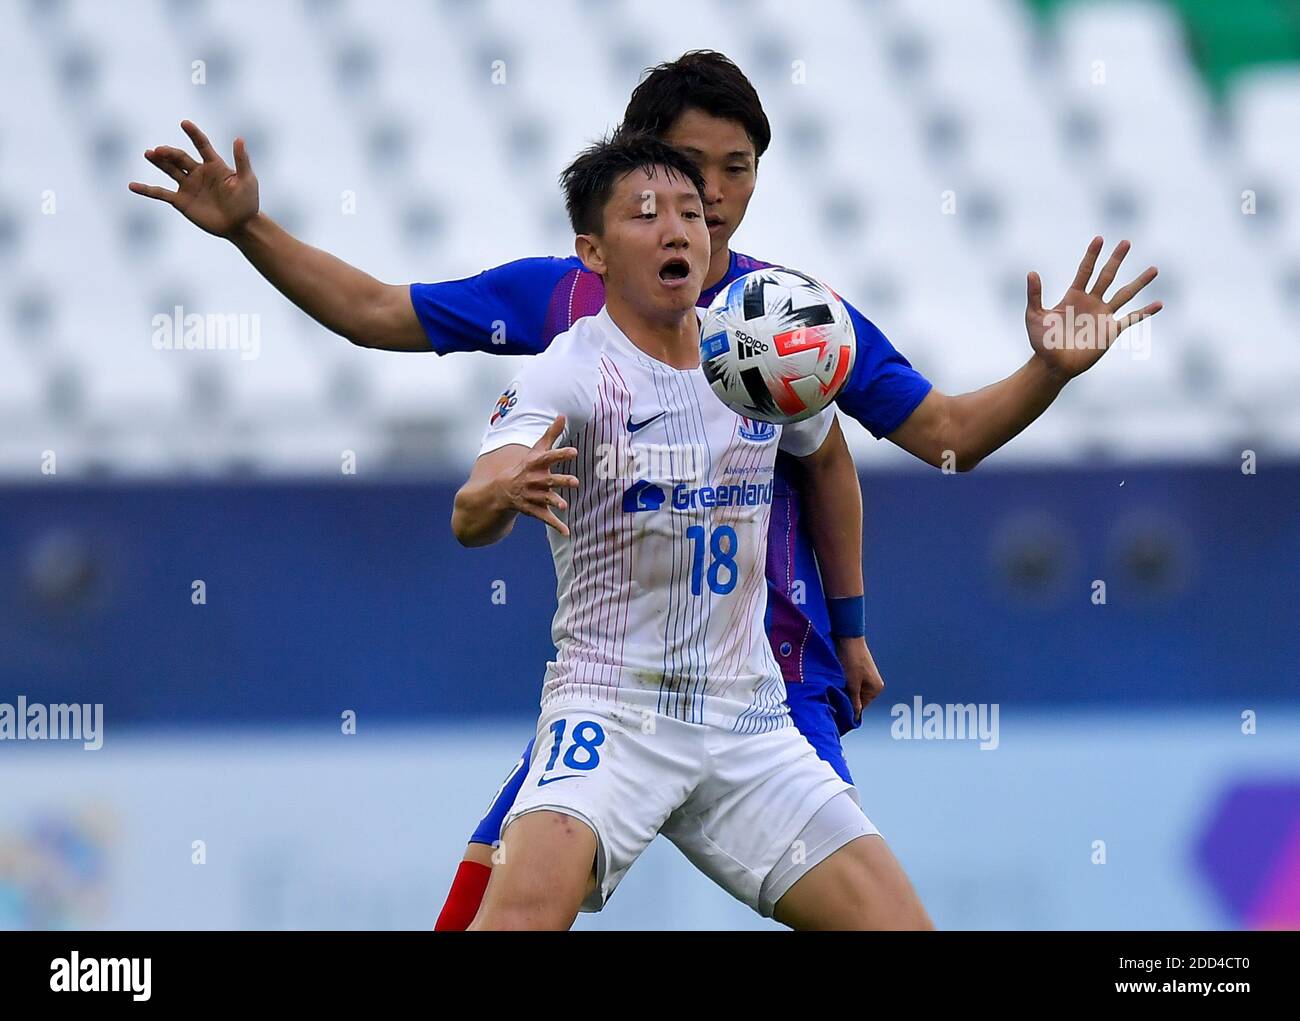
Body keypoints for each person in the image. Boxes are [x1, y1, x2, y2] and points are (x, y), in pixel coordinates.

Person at [129, 50, 1161, 929]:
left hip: (766, 675)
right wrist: (249, 232)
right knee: (496, 906)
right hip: (613, 685)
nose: (710, 197)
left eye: (736, 170)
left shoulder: (785, 320)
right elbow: (373, 313)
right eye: (686, 171)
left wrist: (851, 620)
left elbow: (916, 439)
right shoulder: (568, 315)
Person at [452, 130, 930, 929]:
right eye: (646, 214)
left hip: (748, 720)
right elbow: (472, 507)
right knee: (516, 920)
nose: (678, 229)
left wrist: (850, 632)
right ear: (593, 252)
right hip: (610, 713)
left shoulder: (754, 354)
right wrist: (503, 486)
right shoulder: (568, 371)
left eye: (688, 213)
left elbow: (829, 464)